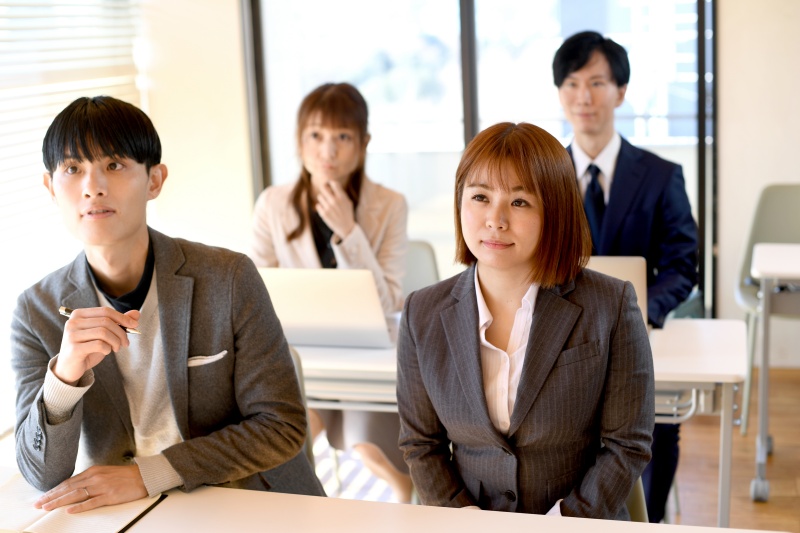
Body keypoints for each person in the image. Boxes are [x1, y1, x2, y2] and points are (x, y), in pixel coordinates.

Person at [12, 96, 324, 514]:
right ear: (51, 187)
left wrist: (150, 474)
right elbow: (41, 473)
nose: (92, 187)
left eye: (114, 164)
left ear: (154, 180)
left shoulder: (229, 278)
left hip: (250, 500)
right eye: (72, 169)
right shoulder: (35, 311)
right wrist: (64, 377)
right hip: (132, 515)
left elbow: (281, 427)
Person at [397, 122, 654, 518]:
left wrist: (562, 524)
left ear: (556, 211)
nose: (495, 220)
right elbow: (421, 444)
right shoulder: (421, 312)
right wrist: (466, 522)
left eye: (519, 202)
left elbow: (627, 444)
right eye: (480, 197)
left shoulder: (611, 304)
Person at [552, 31, 699, 523]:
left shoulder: (660, 175)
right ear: (560, 94)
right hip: (561, 335)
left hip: (641, 332)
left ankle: (649, 521)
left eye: (597, 83)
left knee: (658, 423)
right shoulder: (544, 178)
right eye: (572, 84)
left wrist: (644, 312)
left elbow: (682, 263)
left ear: (620, 92)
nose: (584, 97)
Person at [251, 82, 412, 502]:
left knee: (370, 448)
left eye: (343, 136)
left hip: (369, 358)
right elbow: (255, 295)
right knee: (290, 443)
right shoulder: (273, 204)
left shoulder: (390, 205)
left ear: (363, 143)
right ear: (300, 141)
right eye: (316, 135)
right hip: (302, 357)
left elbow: (389, 303)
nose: (328, 150)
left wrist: (349, 232)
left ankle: (406, 501)